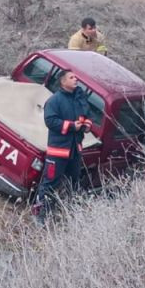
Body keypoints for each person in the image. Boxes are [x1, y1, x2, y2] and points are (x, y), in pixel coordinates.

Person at [34, 70, 91, 222]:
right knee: (49, 184)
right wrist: (72, 126)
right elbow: (51, 121)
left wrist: (86, 125)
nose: (76, 79)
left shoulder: (80, 98)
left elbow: (87, 116)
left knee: (74, 183)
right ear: (62, 81)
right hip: (58, 152)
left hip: (75, 150)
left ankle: (67, 214)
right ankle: (40, 215)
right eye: (72, 77)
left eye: (76, 77)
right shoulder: (54, 101)